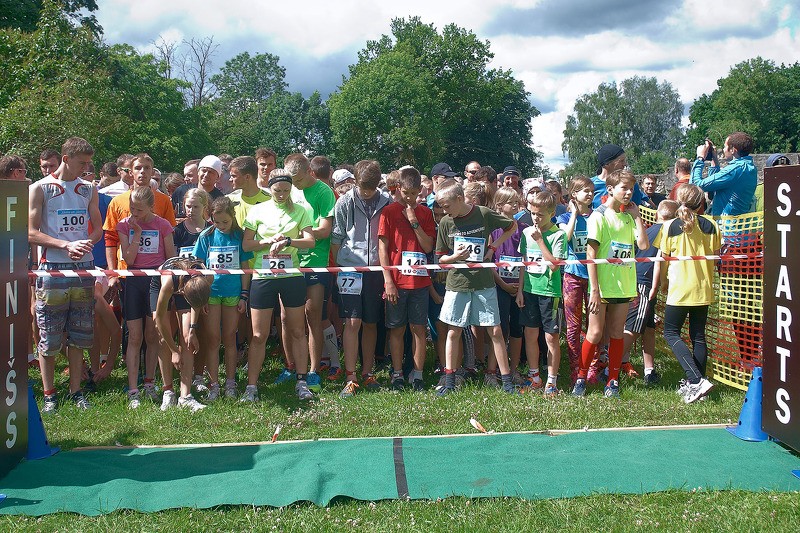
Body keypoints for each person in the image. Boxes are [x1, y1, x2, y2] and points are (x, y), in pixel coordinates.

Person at [29, 137, 102, 412]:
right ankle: (49, 394)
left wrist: (88, 242)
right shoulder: (40, 188)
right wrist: (65, 244)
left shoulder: (88, 189)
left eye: (89, 163)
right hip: (52, 269)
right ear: (66, 159)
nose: (86, 167)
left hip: (84, 268)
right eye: (82, 162)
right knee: (49, 335)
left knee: (80, 334)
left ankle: (75, 391)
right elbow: (30, 232)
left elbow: (98, 227)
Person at [434, 179, 518, 395]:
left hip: (483, 283)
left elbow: (511, 226)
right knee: (453, 331)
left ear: (460, 199)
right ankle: (449, 380)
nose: (444, 210)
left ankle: (507, 382)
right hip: (457, 283)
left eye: (446, 206)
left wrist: (492, 248)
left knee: (496, 330)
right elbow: (440, 259)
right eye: (442, 206)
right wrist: (454, 257)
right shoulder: (445, 222)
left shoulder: (483, 214)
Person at [572, 169, 649, 398]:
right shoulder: (599, 216)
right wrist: (594, 290)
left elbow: (643, 246)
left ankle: (612, 381)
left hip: (624, 286)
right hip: (602, 287)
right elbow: (591, 254)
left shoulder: (628, 217)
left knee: (616, 333)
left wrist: (636, 217)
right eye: (623, 188)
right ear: (610, 189)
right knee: (594, 333)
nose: (628, 193)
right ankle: (580, 378)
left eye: (631, 189)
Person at [241, 170, 316, 402]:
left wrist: (288, 241)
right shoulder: (258, 210)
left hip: (291, 275)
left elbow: (310, 241)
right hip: (263, 277)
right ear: (269, 188)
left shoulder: (301, 211)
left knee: (297, 330)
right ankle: (251, 386)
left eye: (286, 190)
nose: (282, 194)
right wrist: (265, 242)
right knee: (258, 334)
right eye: (277, 190)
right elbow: (246, 245)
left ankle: (302, 381)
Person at [331, 160, 391, 397]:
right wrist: (342, 264)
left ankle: (367, 372)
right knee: (352, 322)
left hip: (376, 270)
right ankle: (350, 376)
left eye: (371, 188)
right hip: (349, 269)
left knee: (371, 321)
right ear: (354, 182)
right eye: (363, 188)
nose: (366, 193)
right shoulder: (345, 202)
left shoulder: (387, 201)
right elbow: (337, 237)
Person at [116, 186, 177, 409]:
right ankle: (133, 389)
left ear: (151, 207)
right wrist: (137, 234)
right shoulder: (125, 225)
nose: (135, 213)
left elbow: (171, 259)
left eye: (140, 210)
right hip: (133, 280)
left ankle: (150, 382)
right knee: (134, 336)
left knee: (152, 334)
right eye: (132, 208)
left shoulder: (163, 225)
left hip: (155, 281)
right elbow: (129, 259)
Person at [660, 184, 721, 403]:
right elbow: (715, 255)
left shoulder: (670, 226)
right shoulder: (712, 225)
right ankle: (699, 384)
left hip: (680, 288)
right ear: (700, 202)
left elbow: (664, 259)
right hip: (702, 287)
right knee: (698, 335)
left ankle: (695, 380)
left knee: (670, 332)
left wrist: (663, 283)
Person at [378, 166, 436, 391]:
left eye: (414, 194)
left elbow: (428, 246)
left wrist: (414, 221)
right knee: (396, 329)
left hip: (419, 281)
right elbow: (382, 248)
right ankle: (398, 373)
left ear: (420, 191)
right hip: (397, 281)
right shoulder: (388, 212)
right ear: (398, 188)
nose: (410, 198)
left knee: (419, 329)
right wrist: (388, 280)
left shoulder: (425, 213)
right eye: (406, 194)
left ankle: (418, 375)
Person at [282, 154, 337, 393]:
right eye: (290, 179)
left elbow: (325, 231)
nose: (294, 183)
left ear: (309, 172)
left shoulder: (324, 192)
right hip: (288, 259)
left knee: (312, 313)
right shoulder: (288, 190)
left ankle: (314, 369)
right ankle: (291, 366)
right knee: (285, 317)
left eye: (298, 178)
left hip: (315, 259)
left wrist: (300, 235)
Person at [193, 197, 253, 400]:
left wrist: (244, 295)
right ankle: (214, 384)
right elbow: (198, 268)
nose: (220, 226)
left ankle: (230, 382)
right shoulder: (206, 236)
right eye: (217, 222)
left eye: (225, 222)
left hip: (233, 293)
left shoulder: (239, 236)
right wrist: (201, 296)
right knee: (212, 339)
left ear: (232, 217)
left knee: (229, 338)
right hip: (211, 294)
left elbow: (246, 269)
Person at [515, 191, 567, 397]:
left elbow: (554, 265)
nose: (535, 218)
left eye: (540, 214)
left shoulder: (558, 234)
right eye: (532, 213)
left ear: (552, 213)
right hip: (529, 290)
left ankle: (552, 381)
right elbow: (524, 262)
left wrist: (540, 241)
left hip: (549, 292)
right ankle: (534, 377)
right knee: (530, 334)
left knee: (551, 337)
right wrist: (519, 290)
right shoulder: (527, 232)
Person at [621, 199, 678, 385]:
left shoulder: (651, 229)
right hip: (643, 282)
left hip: (639, 279)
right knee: (634, 327)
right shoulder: (667, 231)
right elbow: (659, 259)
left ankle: (649, 370)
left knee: (648, 328)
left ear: (657, 214)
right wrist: (660, 283)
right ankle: (608, 364)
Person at [151, 256, 213, 412]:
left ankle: (185, 397)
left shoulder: (207, 276)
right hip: (162, 283)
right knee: (162, 336)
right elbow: (159, 319)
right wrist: (174, 351)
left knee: (187, 339)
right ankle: (168, 391)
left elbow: (196, 303)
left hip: (190, 285)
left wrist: (192, 328)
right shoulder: (168, 283)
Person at [104, 153, 176, 274]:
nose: (142, 171)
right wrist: (112, 273)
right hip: (125, 270)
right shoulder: (117, 201)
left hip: (156, 271)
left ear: (152, 172)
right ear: (131, 172)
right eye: (138, 168)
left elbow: (169, 235)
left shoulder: (164, 200)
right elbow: (110, 238)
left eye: (147, 168)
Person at [487, 186, 526, 387]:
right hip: (498, 286)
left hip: (517, 288)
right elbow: (489, 262)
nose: (516, 205)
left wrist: (519, 288)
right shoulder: (492, 229)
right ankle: (491, 371)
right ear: (500, 205)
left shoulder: (522, 228)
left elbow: (524, 261)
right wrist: (502, 283)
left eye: (517, 201)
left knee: (517, 330)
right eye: (511, 202)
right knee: (499, 329)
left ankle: (514, 370)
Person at [556, 176, 594, 385]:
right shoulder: (563, 218)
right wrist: (573, 214)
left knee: (594, 327)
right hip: (572, 276)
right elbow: (565, 239)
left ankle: (592, 367)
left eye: (591, 191)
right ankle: (575, 368)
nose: (589, 194)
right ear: (574, 195)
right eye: (584, 191)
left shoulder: (597, 216)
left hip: (594, 277)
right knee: (573, 326)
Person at [691, 132, 756, 216]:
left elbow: (697, 185)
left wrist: (700, 158)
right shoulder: (749, 167)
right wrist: (714, 159)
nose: (723, 149)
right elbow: (713, 188)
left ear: (733, 150)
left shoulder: (735, 169)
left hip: (727, 226)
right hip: (739, 224)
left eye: (725, 146)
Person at [591, 144, 650, 208]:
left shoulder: (630, 183)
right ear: (607, 164)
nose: (625, 164)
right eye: (621, 161)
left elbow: (636, 208)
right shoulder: (591, 185)